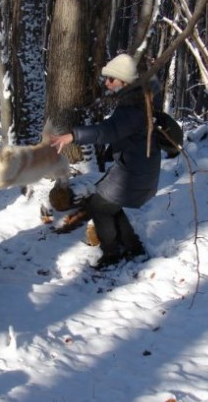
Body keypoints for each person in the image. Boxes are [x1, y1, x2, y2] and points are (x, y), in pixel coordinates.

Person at [50, 53, 161, 270]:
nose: (107, 84)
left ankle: (112, 254)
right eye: (106, 79)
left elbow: (108, 131)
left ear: (126, 81)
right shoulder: (141, 99)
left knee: (99, 205)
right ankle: (133, 247)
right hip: (139, 168)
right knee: (107, 205)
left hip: (134, 174)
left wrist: (72, 136)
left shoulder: (132, 108)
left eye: (112, 79)